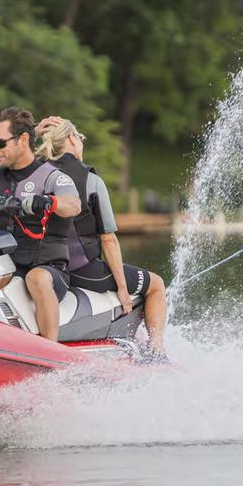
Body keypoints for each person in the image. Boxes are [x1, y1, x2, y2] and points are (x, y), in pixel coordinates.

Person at [34, 116, 168, 360]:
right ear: (73, 139)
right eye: (81, 139)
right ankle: (156, 351)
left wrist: (34, 132)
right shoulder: (91, 181)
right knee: (157, 285)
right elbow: (108, 240)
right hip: (84, 271)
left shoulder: (35, 175)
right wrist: (123, 289)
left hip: (50, 270)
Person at [0, 107, 82, 341]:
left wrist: (48, 202)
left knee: (36, 278)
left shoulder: (53, 177)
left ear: (22, 140)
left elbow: (73, 205)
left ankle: (49, 354)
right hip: (6, 267)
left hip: (49, 270)